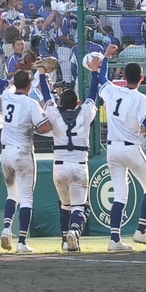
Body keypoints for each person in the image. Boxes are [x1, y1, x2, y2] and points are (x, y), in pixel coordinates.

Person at [97, 56, 146, 251]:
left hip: (112, 149)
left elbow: (101, 78)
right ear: (142, 78)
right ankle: (141, 230)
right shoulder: (140, 98)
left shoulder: (113, 90)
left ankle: (114, 239)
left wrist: (105, 57)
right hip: (130, 147)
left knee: (120, 195)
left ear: (123, 76)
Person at [42, 65, 100, 253]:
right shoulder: (84, 112)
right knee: (79, 207)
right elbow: (93, 93)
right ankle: (74, 232)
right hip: (79, 165)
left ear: (60, 103)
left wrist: (42, 74)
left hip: (59, 167)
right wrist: (95, 72)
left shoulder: (55, 112)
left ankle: (66, 242)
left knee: (65, 206)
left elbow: (47, 96)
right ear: (78, 103)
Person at [0, 68, 51, 253]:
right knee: (26, 198)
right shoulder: (31, 103)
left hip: (6, 153)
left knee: (12, 194)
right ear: (29, 86)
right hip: (22, 153)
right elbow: (45, 128)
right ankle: (21, 242)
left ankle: (6, 228)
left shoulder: (6, 96)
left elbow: (9, 86)